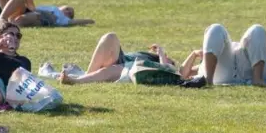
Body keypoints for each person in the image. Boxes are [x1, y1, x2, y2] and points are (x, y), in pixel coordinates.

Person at [57, 33, 197, 85]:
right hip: (122, 60)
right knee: (109, 38)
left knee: (111, 42)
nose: (170, 60)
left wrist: (162, 54)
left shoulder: (161, 64)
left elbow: (167, 70)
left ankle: (80, 79)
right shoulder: (144, 55)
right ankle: (87, 75)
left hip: (126, 67)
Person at [179, 24, 266, 86]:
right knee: (216, 28)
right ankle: (207, 79)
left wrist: (261, 50)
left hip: (249, 70)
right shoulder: (206, 65)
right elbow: (182, 74)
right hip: (222, 74)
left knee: (257, 29)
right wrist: (193, 54)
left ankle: (257, 79)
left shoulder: (247, 51)